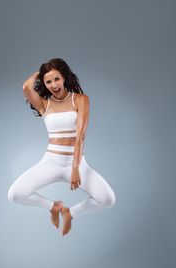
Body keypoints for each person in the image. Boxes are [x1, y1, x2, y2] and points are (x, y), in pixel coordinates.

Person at [8, 58, 116, 236]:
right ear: (43, 82)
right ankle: (54, 207)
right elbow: (26, 87)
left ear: (64, 77)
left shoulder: (80, 100)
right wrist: (41, 72)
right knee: (15, 194)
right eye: (48, 81)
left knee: (107, 199)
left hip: (76, 163)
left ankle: (70, 213)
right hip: (51, 162)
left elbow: (80, 135)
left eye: (57, 79)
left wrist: (75, 168)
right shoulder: (45, 103)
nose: (53, 84)